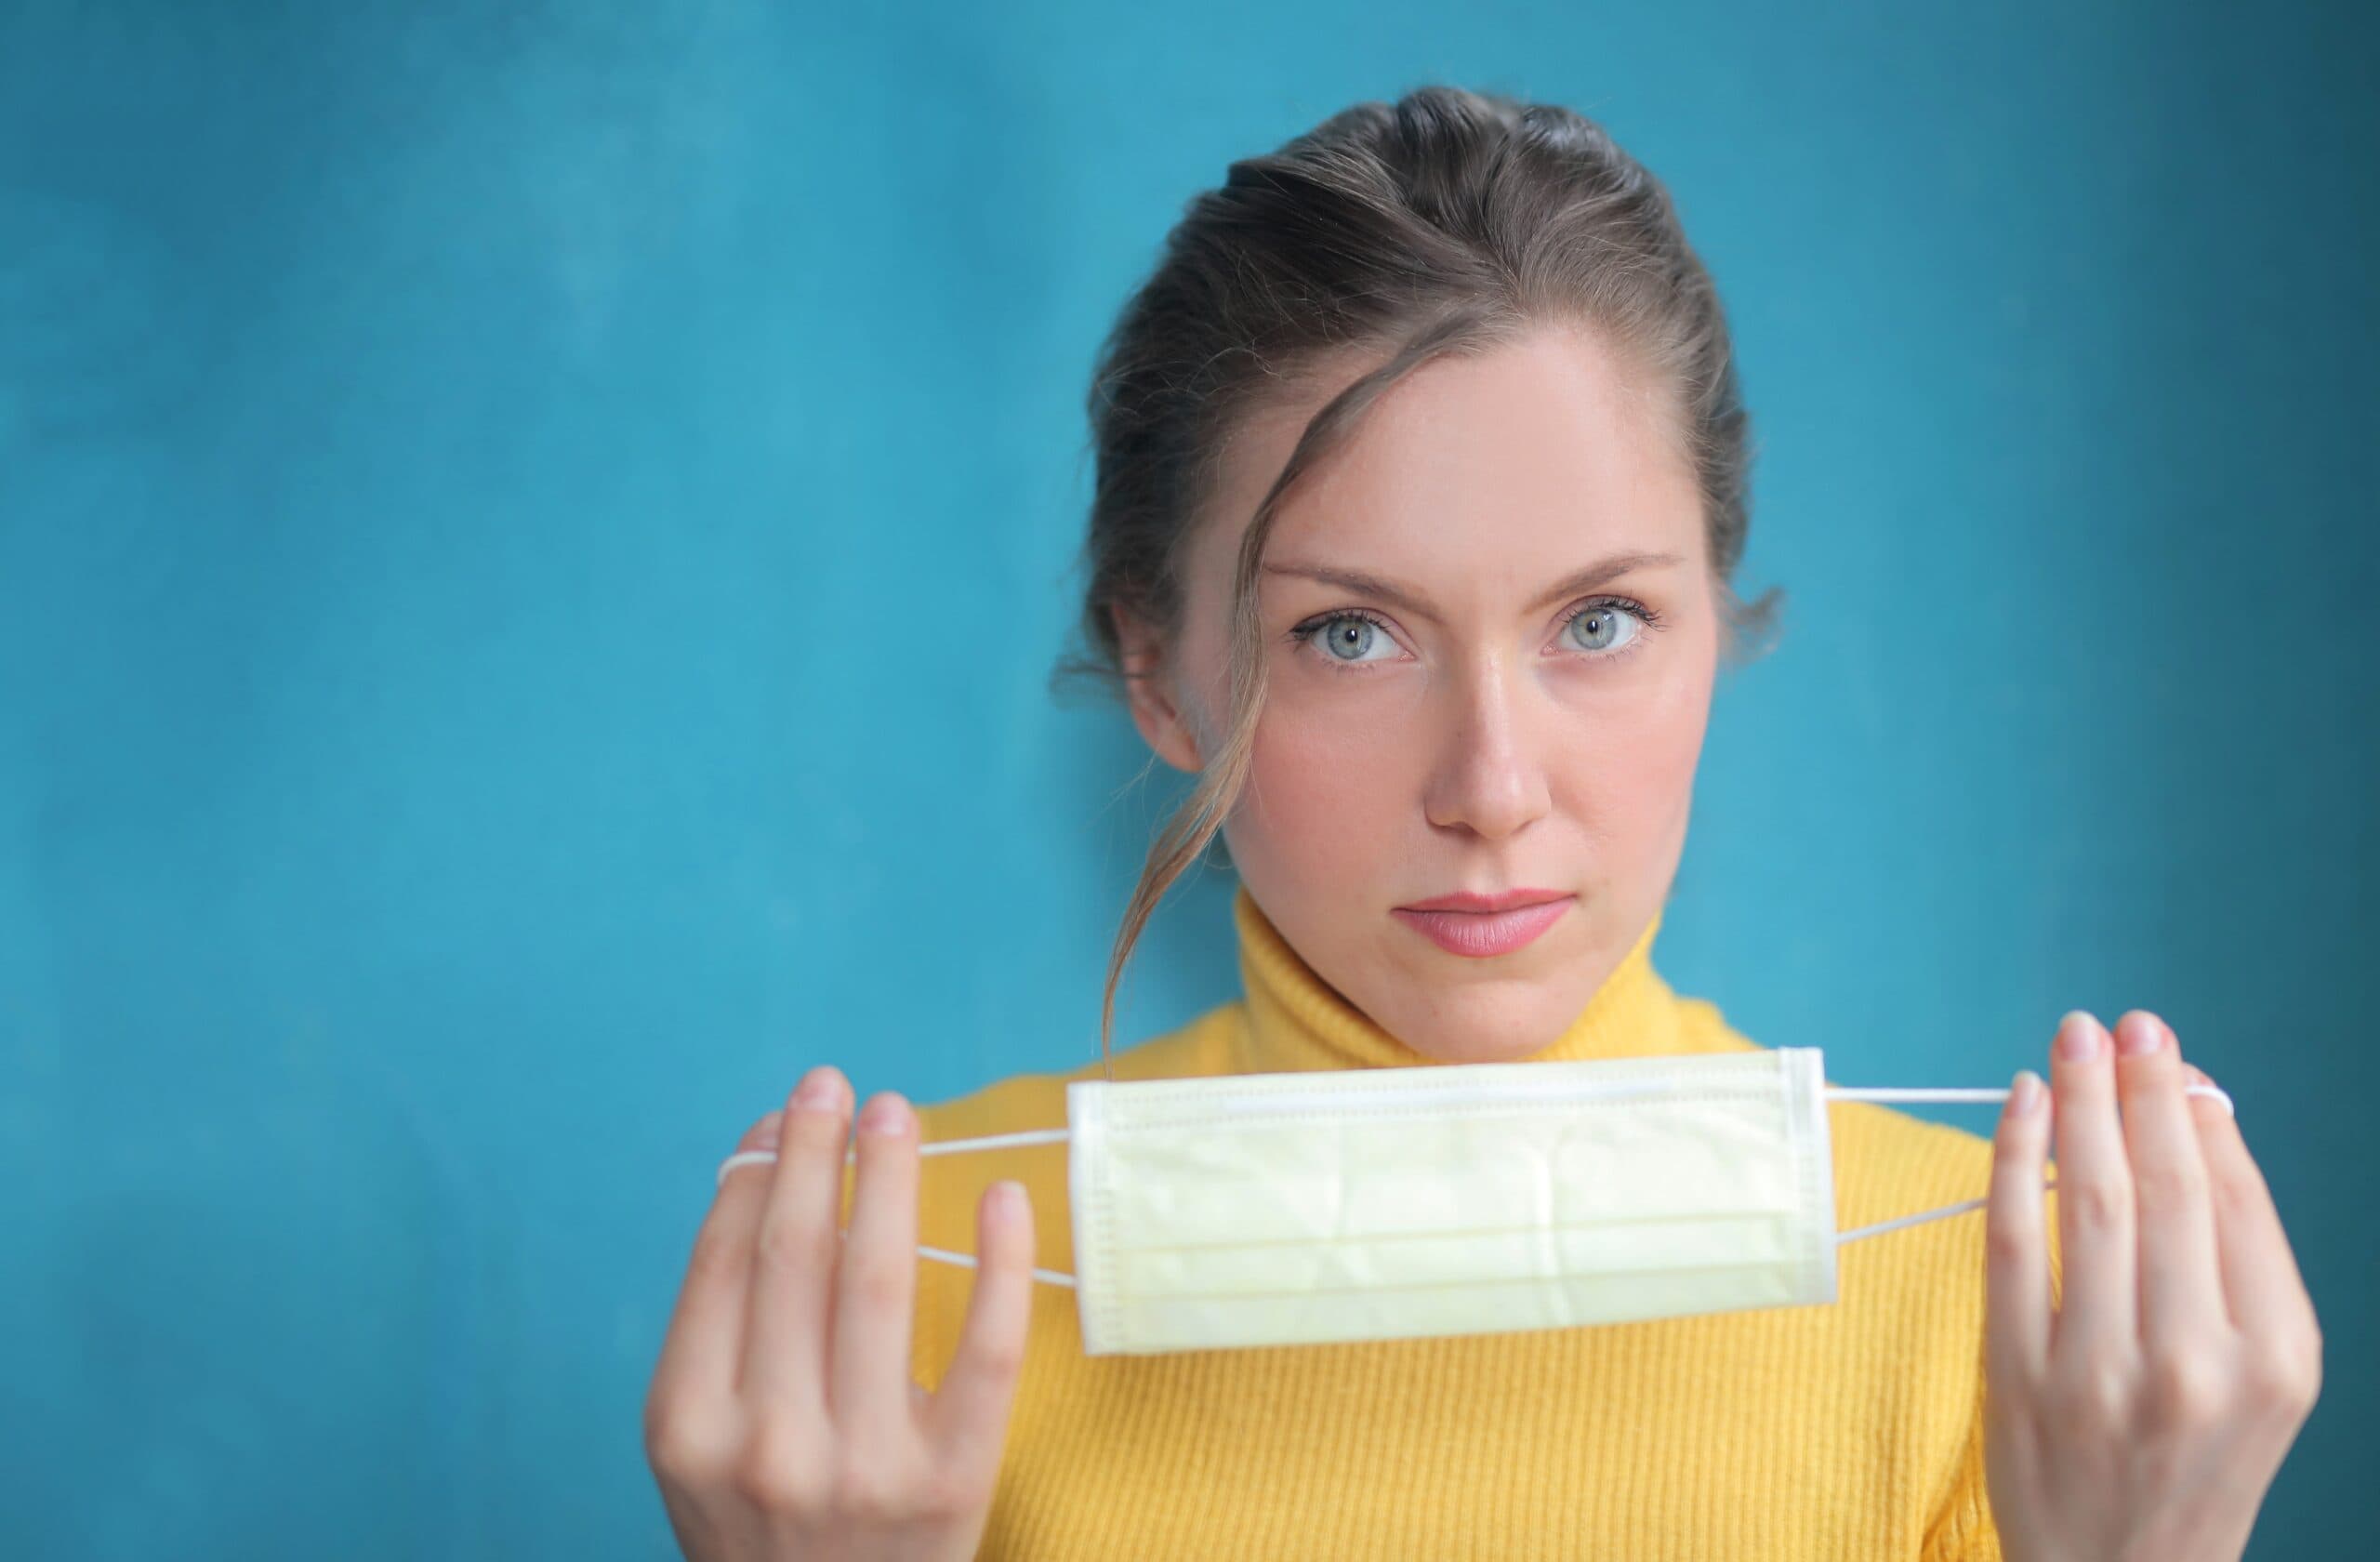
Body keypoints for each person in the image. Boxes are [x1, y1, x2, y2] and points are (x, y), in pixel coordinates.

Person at [642, 85, 2322, 1560]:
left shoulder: (2014, 1329)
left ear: (1715, 623)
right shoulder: (888, 1311)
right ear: (1160, 671)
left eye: (1598, 622)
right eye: (1349, 634)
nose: (1495, 789)